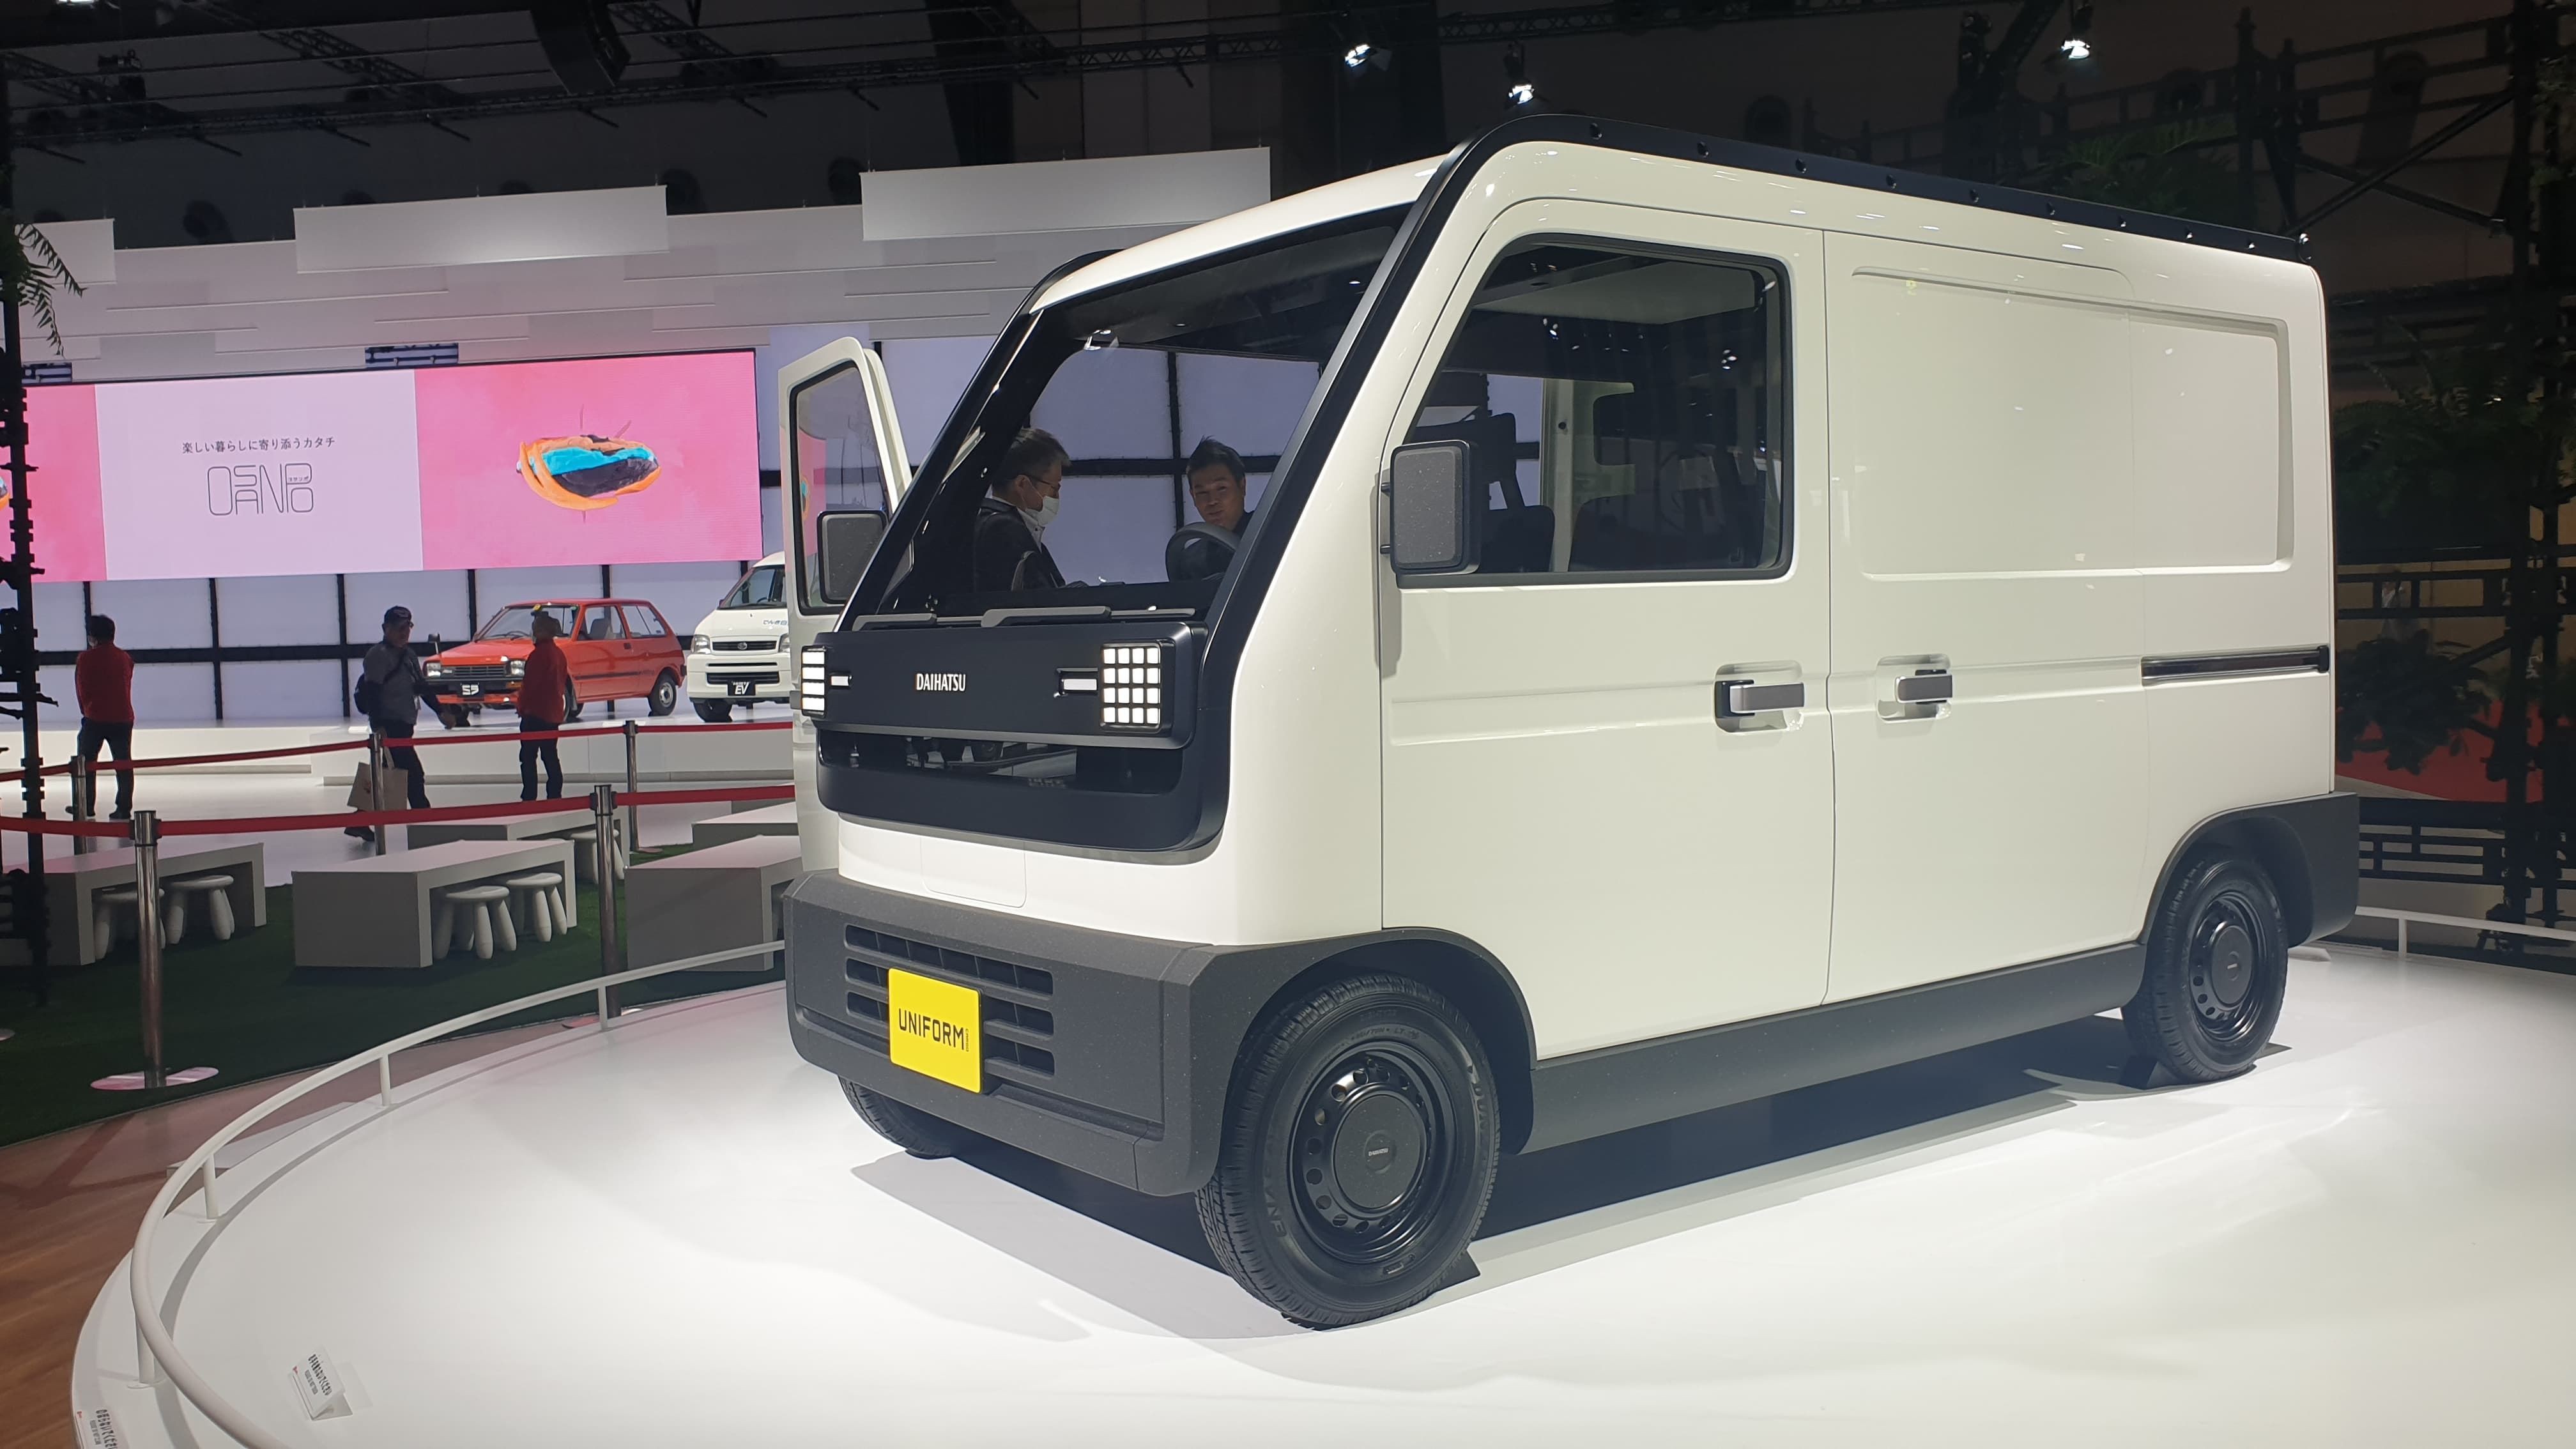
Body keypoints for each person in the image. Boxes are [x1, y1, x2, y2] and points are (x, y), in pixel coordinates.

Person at [353, 604, 431, 841]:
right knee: (413, 775)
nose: (403, 632)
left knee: (383, 776)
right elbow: (373, 693)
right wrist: (378, 727)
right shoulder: (378, 656)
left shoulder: (408, 655)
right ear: (385, 628)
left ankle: (359, 820)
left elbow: (421, 686)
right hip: (389, 727)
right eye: (398, 628)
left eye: (407, 627)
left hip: (404, 726)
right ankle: (425, 822)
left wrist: (441, 711)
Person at [973, 427, 1071, 592]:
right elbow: (1037, 600)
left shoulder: (1017, 530)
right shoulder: (1002, 530)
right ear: (1022, 484)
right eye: (1054, 488)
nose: (1056, 496)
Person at [74, 615, 135, 821]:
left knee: (86, 763)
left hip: (96, 717)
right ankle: (124, 807)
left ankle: (86, 805)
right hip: (123, 717)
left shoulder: (85, 659)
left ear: (92, 636)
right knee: (123, 763)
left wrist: (86, 711)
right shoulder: (125, 658)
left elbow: (82, 689)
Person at [1167, 436, 1253, 582]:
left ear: (1242, 487)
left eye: (1221, 489)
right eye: (1202, 493)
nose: (1212, 501)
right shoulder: (1188, 562)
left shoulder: (1271, 534)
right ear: (1193, 497)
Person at [517, 611, 569, 801]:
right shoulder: (559, 654)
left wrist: (522, 707)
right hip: (553, 714)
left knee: (528, 757)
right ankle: (555, 793)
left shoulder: (538, 655)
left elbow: (530, 685)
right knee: (550, 755)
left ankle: (529, 795)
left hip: (535, 713)